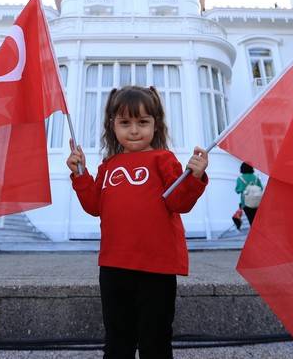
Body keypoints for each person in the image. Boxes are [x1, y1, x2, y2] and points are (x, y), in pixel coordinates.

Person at [66, 85, 208, 358]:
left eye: (143, 122)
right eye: (125, 122)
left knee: (155, 340)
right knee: (118, 340)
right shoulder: (108, 165)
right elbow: (94, 206)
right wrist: (80, 174)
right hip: (113, 267)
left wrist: (195, 178)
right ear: (113, 125)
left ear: (156, 125)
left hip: (157, 268)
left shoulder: (163, 159)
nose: (134, 130)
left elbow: (179, 202)